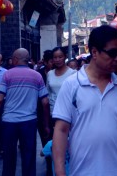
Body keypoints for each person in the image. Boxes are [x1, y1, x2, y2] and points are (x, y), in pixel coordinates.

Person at [52, 25, 117, 176]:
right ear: (94, 52)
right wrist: (60, 172)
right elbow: (61, 130)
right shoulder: (72, 85)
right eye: (112, 53)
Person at [0, 47, 50, 176]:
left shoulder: (8, 74)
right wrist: (46, 125)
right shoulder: (37, 76)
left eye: (12, 58)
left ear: (16, 59)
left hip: (9, 122)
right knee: (28, 157)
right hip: (29, 122)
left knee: (9, 158)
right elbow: (45, 102)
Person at [44, 47, 75, 176]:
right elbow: (47, 94)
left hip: (69, 114)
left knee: (70, 144)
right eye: (55, 57)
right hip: (53, 113)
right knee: (55, 145)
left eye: (60, 57)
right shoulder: (50, 74)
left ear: (65, 57)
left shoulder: (73, 73)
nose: (57, 60)